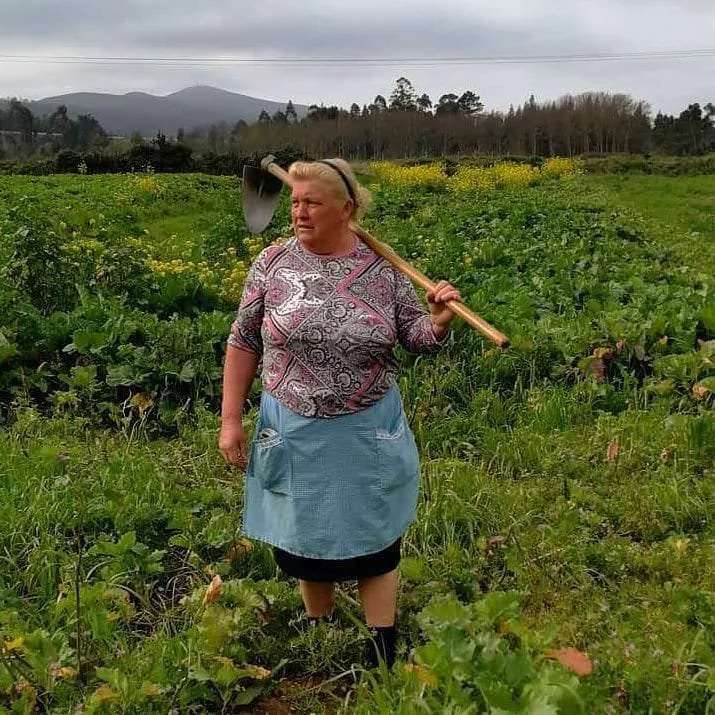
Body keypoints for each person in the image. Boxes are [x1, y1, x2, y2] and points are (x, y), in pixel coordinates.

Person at [219, 158, 461, 668]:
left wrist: (438, 322)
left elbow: (415, 337)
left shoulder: (384, 268)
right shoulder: (272, 263)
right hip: (293, 424)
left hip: (366, 426)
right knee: (303, 535)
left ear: (346, 209)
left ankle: (381, 644)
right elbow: (243, 342)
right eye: (295, 202)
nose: (299, 213)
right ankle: (320, 626)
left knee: (375, 536)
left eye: (312, 203)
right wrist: (230, 420)